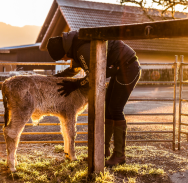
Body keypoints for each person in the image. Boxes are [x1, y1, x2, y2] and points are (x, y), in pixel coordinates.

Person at [47, 30, 141, 167]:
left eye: (64, 57)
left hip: (128, 67)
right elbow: (73, 70)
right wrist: (51, 80)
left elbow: (94, 76)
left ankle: (119, 155)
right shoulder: (74, 44)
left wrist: (76, 84)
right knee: (108, 109)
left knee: (115, 109)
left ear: (64, 51)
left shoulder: (81, 48)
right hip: (119, 69)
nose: (66, 60)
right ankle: (103, 151)